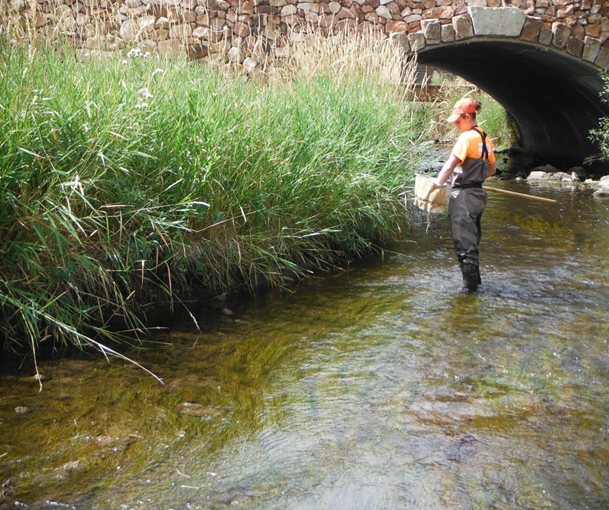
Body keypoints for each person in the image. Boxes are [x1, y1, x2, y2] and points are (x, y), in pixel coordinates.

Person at [434, 97, 496, 293]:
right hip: (479, 196)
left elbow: (449, 166)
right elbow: (492, 170)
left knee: (464, 246)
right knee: (472, 242)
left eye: (459, 121)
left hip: (464, 198)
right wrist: (475, 177)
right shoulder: (486, 139)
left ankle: (469, 293)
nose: (457, 125)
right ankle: (475, 285)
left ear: (467, 116)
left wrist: (437, 184)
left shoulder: (467, 138)